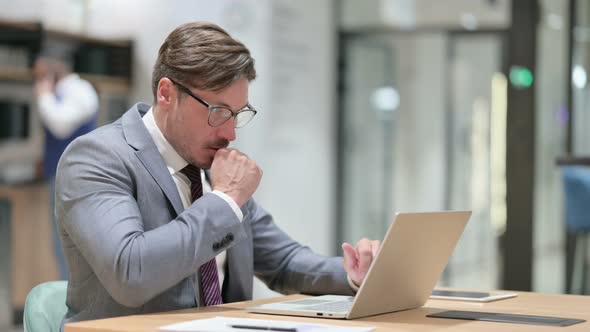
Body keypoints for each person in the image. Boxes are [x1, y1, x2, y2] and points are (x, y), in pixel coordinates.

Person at [55, 22, 380, 329]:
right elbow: (130, 273)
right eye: (218, 111)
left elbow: (283, 262)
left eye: (237, 114)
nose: (230, 132)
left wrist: (353, 274)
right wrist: (224, 201)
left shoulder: (212, 165)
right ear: (166, 94)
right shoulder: (98, 157)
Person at [33, 54, 99, 280]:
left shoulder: (80, 90)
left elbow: (60, 125)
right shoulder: (62, 94)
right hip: (62, 177)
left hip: (77, 178)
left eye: (41, 76)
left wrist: (43, 94)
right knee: (62, 244)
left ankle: (82, 307)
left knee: (74, 246)